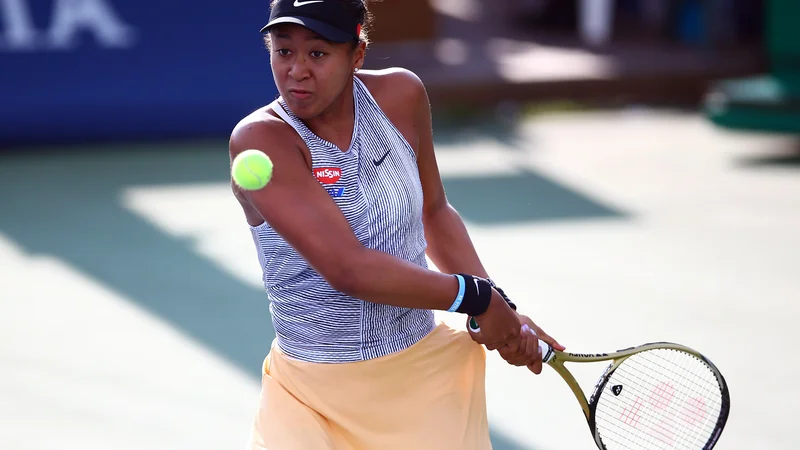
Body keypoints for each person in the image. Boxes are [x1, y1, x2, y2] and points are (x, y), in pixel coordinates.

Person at [229, 1, 565, 448]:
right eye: (284, 51)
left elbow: (434, 212)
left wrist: (498, 305)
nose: (296, 71)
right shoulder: (261, 140)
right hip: (313, 401)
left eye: (318, 53)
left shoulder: (401, 97)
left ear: (357, 54)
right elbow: (348, 269)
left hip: (425, 384)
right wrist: (478, 299)